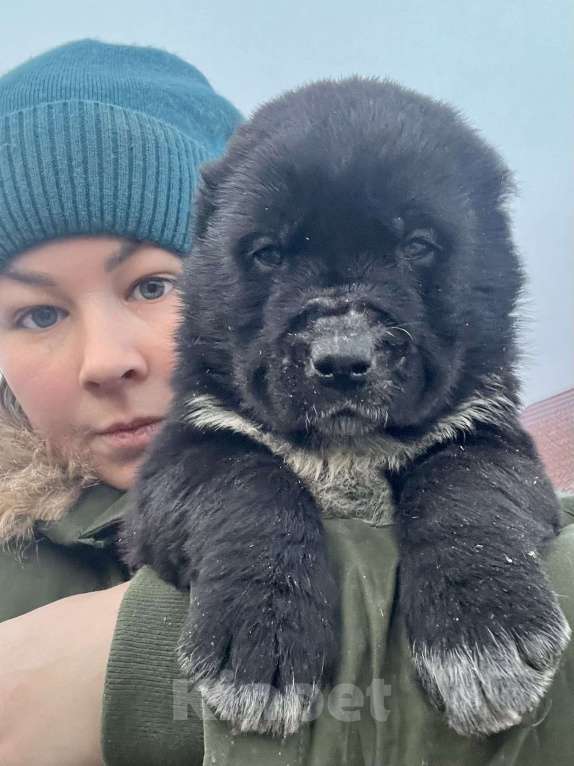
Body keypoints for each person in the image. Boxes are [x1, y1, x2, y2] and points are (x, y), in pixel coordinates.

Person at [0, 39, 573, 766]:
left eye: (152, 285)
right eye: (38, 314)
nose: (108, 360)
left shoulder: (470, 416)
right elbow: (193, 476)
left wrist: (131, 671)